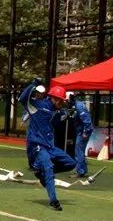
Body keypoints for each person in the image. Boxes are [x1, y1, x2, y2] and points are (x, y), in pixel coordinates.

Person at [19, 78, 75, 211]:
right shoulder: (37, 106)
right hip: (38, 146)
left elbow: (62, 115)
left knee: (71, 163)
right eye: (61, 100)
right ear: (54, 99)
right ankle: (53, 200)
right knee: (49, 168)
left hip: (50, 147)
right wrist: (34, 83)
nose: (62, 102)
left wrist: (69, 112)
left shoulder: (57, 111)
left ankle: (42, 172)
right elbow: (22, 98)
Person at [67, 92, 93, 178]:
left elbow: (87, 120)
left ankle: (80, 171)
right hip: (81, 131)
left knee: (78, 151)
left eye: (67, 100)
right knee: (79, 150)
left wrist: (86, 132)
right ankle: (83, 170)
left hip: (83, 132)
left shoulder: (79, 106)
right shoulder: (76, 105)